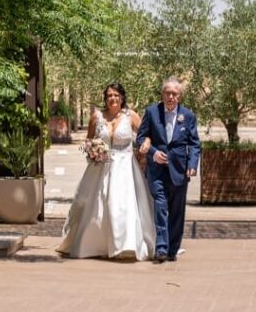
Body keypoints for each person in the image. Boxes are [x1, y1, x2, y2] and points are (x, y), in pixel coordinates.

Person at [57, 82, 156, 260]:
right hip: (100, 167)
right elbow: (88, 141)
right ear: (105, 98)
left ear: (122, 97)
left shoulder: (130, 115)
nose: (113, 98)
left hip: (125, 167)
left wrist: (146, 142)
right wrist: (93, 151)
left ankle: (125, 246)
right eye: (109, 95)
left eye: (116, 95)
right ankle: (95, 244)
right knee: (98, 205)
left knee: (121, 205)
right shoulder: (97, 117)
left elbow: (145, 134)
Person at [136, 77, 201, 263]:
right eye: (167, 93)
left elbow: (194, 144)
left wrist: (192, 165)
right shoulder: (151, 112)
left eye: (174, 94)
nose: (170, 96)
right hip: (157, 171)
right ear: (162, 94)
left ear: (179, 96)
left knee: (177, 213)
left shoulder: (188, 116)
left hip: (179, 172)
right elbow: (140, 138)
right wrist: (153, 152)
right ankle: (162, 249)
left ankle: (173, 249)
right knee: (161, 208)